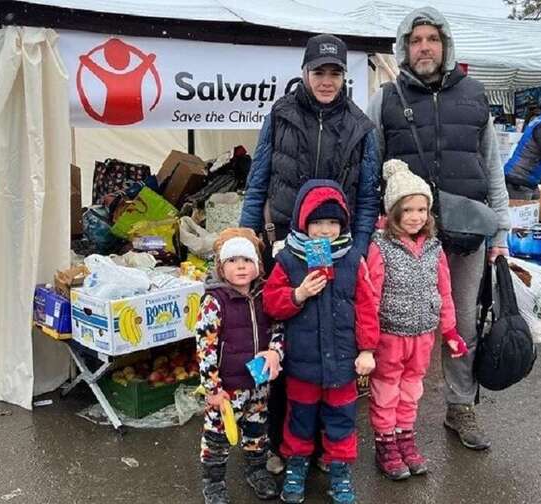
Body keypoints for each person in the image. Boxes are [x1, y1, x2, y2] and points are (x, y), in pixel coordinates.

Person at [366, 6, 511, 451]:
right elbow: (371, 169)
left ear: (445, 45)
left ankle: (460, 405)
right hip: (405, 238)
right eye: (416, 40)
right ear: (404, 48)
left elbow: (492, 167)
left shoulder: (474, 95)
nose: (424, 47)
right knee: (393, 323)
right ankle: (389, 416)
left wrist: (500, 233)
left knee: (461, 322)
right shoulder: (386, 100)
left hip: (466, 232)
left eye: (432, 39)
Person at [239, 32, 381, 472]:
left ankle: (324, 446)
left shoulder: (362, 127)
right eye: (319, 71)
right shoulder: (280, 114)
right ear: (304, 72)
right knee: (285, 340)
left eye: (334, 72)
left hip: (339, 248)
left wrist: (358, 249)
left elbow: (367, 196)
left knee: (332, 342)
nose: (326, 80)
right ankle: (283, 444)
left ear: (344, 77)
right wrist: (247, 236)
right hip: (285, 243)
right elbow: (259, 177)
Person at [263, 180, 378, 504]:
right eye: (317, 222)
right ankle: (296, 467)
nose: (325, 230)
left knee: (342, 420)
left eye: (332, 222)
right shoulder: (288, 259)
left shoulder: (352, 259)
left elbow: (367, 307)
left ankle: (339, 471)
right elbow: (271, 303)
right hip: (302, 363)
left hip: (343, 363)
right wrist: (298, 294)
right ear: (303, 222)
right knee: (299, 418)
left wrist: (367, 349)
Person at [365, 160, 468, 480]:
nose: (415, 216)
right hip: (390, 335)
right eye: (407, 209)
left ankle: (405, 438)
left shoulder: (435, 247)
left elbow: (444, 290)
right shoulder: (381, 246)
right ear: (393, 212)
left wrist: (450, 330)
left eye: (422, 209)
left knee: (411, 389)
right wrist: (367, 342)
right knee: (386, 390)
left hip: (423, 335)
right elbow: (371, 295)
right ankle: (385, 443)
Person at [195, 228, 284, 504]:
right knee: (217, 437)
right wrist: (212, 387)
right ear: (221, 268)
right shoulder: (215, 301)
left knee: (257, 431)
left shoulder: (266, 294)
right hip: (226, 388)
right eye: (232, 261)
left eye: (247, 260)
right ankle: (214, 482)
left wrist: (275, 352)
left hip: (258, 382)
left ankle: (256, 471)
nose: (241, 266)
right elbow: (205, 347)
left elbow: (279, 328)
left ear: (257, 265)